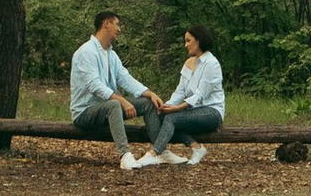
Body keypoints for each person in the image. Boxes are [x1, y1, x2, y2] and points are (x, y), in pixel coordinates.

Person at [69, 10, 167, 167]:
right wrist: (121, 100)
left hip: (107, 108)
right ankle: (125, 156)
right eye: (117, 24)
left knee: (148, 103)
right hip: (85, 112)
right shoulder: (86, 52)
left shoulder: (111, 54)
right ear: (106, 24)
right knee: (114, 104)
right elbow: (94, 85)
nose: (119, 29)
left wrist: (149, 93)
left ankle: (160, 152)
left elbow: (124, 78)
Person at [157, 27, 225, 161]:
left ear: (199, 41)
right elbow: (180, 90)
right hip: (193, 111)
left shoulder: (212, 64)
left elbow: (200, 95)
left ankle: (155, 153)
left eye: (188, 41)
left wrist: (177, 108)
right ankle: (196, 147)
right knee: (162, 117)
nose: (185, 45)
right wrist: (167, 106)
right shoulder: (188, 63)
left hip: (211, 112)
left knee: (172, 119)